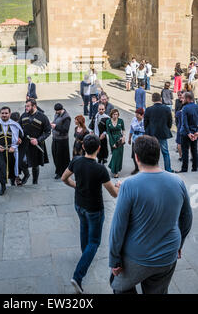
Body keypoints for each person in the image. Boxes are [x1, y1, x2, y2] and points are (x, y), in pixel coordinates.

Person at [109, 135, 193, 295]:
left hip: (138, 256)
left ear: (136, 157)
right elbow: (187, 218)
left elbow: (118, 227)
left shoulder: (129, 185)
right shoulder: (178, 181)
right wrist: (179, 244)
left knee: (118, 286)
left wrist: (114, 259)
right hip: (168, 254)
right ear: (158, 155)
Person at [62, 134, 120, 294]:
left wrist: (76, 185)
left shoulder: (76, 161)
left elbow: (64, 178)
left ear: (83, 147)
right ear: (99, 148)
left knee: (83, 229)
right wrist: (120, 186)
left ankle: (84, 257)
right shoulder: (100, 169)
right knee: (94, 241)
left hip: (79, 204)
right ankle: (78, 276)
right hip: (94, 208)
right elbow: (114, 194)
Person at [0, 107, 24, 195]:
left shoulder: (15, 125)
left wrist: (15, 146)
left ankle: (13, 182)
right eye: (2, 113)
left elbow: (21, 136)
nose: (4, 115)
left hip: (12, 150)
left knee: (12, 167)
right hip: (0, 151)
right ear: (0, 114)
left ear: (9, 114)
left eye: (6, 113)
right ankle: (3, 187)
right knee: (1, 168)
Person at [19, 99, 51, 185]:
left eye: (28, 106)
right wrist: (18, 138)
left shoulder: (43, 117)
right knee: (21, 161)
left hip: (36, 144)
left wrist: (38, 140)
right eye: (26, 106)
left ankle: (35, 182)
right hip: (24, 143)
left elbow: (48, 131)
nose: (26, 108)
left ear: (34, 106)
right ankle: (26, 175)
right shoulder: (23, 115)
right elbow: (18, 128)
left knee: (35, 164)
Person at [144, 93, 173, 172]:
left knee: (152, 153)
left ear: (153, 100)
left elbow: (145, 122)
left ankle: (153, 169)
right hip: (163, 133)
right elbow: (170, 121)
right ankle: (168, 169)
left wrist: (147, 130)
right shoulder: (167, 109)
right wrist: (167, 128)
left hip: (151, 133)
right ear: (161, 99)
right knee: (165, 152)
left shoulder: (149, 109)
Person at [177, 91, 198, 173]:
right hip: (195, 133)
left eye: (183, 98)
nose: (181, 99)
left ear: (188, 99)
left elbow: (184, 122)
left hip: (186, 133)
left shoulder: (185, 108)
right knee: (194, 150)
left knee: (185, 151)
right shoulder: (197, 106)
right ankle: (195, 167)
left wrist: (189, 133)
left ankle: (184, 169)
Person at [51, 104, 71, 180]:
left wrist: (55, 126)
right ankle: (59, 170)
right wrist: (52, 123)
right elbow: (55, 121)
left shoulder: (67, 117)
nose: (56, 112)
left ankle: (61, 173)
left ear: (61, 109)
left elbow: (65, 130)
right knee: (55, 155)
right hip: (55, 138)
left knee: (61, 157)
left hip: (62, 140)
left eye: (57, 111)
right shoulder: (57, 114)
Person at [106, 109, 125, 178]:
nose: (115, 116)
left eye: (116, 114)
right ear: (111, 114)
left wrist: (123, 137)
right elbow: (108, 133)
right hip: (112, 139)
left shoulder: (121, 121)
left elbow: (123, 129)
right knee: (114, 154)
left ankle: (115, 171)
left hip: (119, 139)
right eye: (114, 114)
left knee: (117, 155)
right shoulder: (108, 121)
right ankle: (112, 166)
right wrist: (112, 143)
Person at [128, 108, 145, 175]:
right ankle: (136, 168)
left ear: (142, 115)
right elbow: (131, 129)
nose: (136, 116)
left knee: (141, 155)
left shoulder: (145, 121)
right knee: (134, 155)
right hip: (134, 139)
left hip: (142, 140)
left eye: (138, 114)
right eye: (136, 114)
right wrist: (129, 138)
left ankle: (143, 169)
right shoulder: (134, 119)